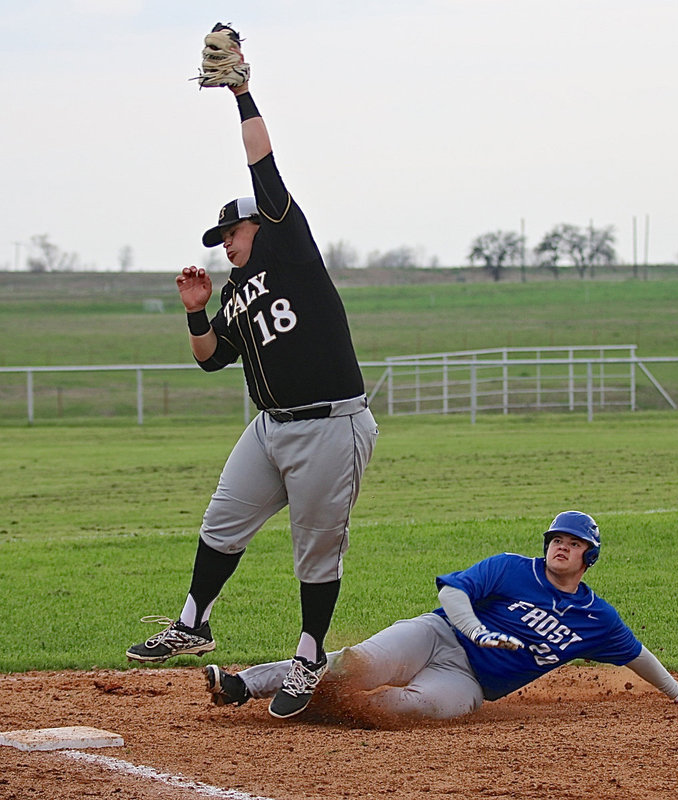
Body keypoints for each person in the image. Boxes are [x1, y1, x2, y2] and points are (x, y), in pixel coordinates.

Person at [126, 29, 379, 720]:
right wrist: (196, 313)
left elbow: (262, 161)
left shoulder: (290, 248)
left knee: (315, 549)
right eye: (220, 240)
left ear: (261, 228)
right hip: (271, 429)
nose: (225, 244)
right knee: (222, 520)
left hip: (331, 424)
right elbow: (212, 361)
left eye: (230, 234)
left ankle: (306, 653)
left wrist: (240, 90)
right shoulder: (236, 291)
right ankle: (193, 619)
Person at [203, 511, 678, 720]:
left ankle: (316, 709)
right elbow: (453, 593)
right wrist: (476, 628)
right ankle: (242, 685)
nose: (562, 546)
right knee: (355, 664)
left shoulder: (596, 618)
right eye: (557, 538)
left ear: (589, 557)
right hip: (436, 636)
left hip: (469, 683)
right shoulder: (511, 568)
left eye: (574, 543)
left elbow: (635, 654)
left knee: (403, 711)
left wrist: (675, 690)